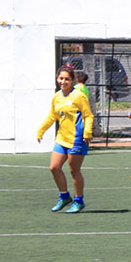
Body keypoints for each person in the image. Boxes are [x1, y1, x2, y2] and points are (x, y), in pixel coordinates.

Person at [37, 64, 94, 213]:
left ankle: (79, 200)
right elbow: (52, 115)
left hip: (77, 139)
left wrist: (87, 132)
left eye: (67, 79)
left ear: (72, 81)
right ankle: (64, 197)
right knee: (54, 168)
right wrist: (41, 130)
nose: (63, 81)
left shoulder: (78, 96)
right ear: (57, 79)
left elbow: (88, 115)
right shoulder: (56, 96)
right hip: (61, 138)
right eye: (61, 78)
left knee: (74, 170)